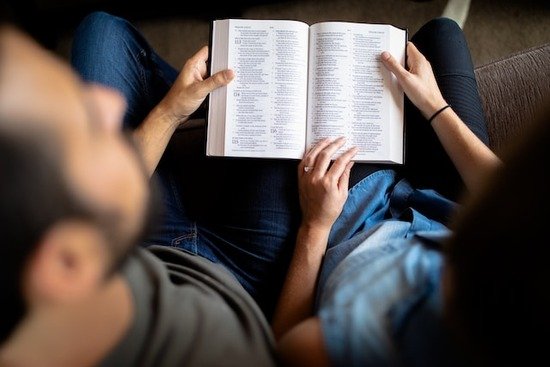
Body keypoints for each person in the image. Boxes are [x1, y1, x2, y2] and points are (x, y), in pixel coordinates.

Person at [271, 16, 549, 367]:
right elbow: (505, 193)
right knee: (442, 33)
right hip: (438, 201)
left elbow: (283, 348)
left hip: (345, 212)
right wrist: (434, 106)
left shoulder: (368, 341)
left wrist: (314, 226)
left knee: (284, 101)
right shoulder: (515, 243)